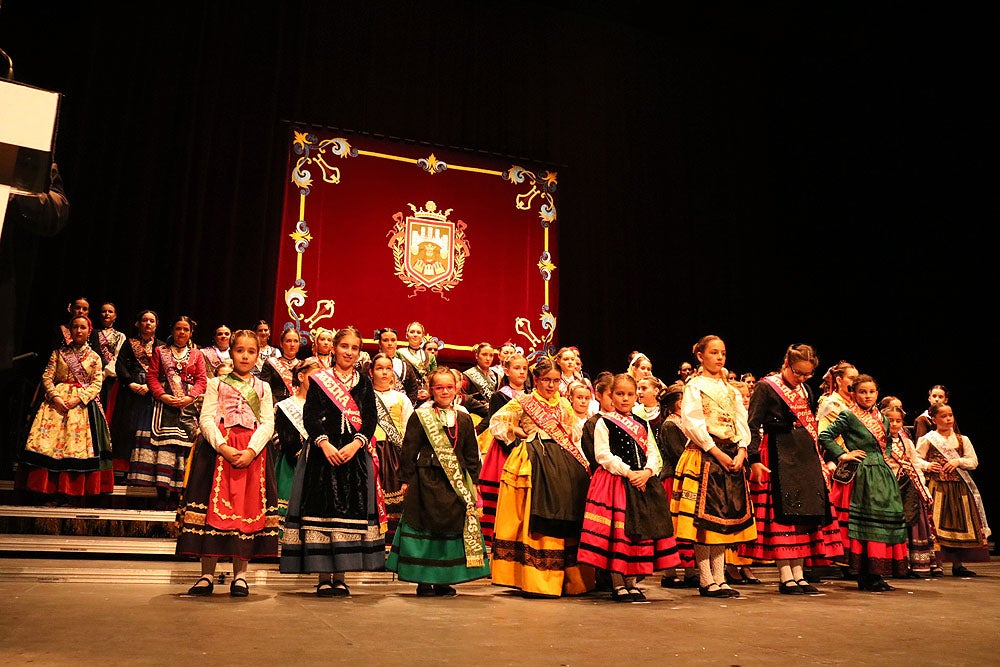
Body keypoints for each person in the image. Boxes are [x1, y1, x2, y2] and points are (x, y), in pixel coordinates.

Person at [280, 326, 384, 597]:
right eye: (344, 346)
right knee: (322, 512)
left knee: (347, 514)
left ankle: (341, 576)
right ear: (334, 348)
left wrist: (356, 443)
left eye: (355, 348)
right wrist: (324, 443)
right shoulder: (319, 380)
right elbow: (311, 416)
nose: (349, 352)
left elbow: (371, 419)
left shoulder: (364, 383)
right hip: (322, 456)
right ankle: (323, 576)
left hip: (353, 456)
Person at [176, 330, 277, 597]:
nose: (245, 355)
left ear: (258, 355)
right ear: (231, 352)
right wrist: (222, 446)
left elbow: (267, 422)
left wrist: (252, 450)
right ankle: (206, 574)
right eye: (240, 350)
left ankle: (241, 576)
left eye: (251, 351)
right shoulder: (215, 384)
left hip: (251, 454)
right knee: (211, 510)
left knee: (246, 511)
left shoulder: (264, 388)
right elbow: (206, 419)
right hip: (218, 452)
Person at [740, 344, 843, 595]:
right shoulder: (767, 387)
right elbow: (752, 424)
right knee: (783, 515)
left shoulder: (805, 389)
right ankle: (786, 575)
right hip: (778, 452)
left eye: (807, 374)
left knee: (803, 514)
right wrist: (753, 458)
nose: (802, 378)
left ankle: (799, 573)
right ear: (786, 363)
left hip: (803, 454)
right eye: (798, 373)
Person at [489, 356, 595, 597]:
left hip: (564, 462)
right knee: (531, 514)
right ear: (535, 379)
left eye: (556, 381)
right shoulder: (524, 402)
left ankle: (570, 579)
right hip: (533, 460)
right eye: (546, 380)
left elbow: (574, 432)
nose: (551, 385)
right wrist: (517, 430)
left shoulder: (565, 404)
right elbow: (496, 422)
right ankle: (534, 577)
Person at [387, 366, 491, 595]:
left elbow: (471, 453)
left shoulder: (463, 419)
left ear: (457, 389)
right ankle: (424, 579)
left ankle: (445, 579)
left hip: (454, 484)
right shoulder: (420, 416)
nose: (444, 391)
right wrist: (406, 479)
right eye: (439, 387)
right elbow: (409, 449)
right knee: (425, 526)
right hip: (426, 480)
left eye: (449, 387)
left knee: (451, 527)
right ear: (431, 390)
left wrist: (474, 481)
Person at [578, 373, 679, 602]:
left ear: (636, 397)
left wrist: (647, 471)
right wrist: (628, 472)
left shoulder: (641, 423)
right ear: (611, 396)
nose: (625, 399)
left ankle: (632, 582)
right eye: (620, 394)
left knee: (638, 532)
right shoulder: (604, 421)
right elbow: (602, 454)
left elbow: (652, 451)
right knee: (619, 532)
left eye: (630, 394)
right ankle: (617, 583)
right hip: (615, 483)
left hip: (641, 481)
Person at [671, 335, 756, 599]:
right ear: (701, 356)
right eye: (714, 353)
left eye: (723, 353)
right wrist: (716, 451)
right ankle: (706, 578)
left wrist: (742, 449)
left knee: (724, 517)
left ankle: (720, 577)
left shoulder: (731, 390)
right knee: (703, 520)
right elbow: (693, 423)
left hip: (731, 454)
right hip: (706, 454)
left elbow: (741, 421)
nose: (719, 358)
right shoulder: (695, 386)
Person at [819, 373, 908, 591]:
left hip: (882, 474)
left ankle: (877, 573)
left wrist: (885, 460)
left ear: (877, 393)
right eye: (862, 392)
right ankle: (864, 575)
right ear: (854, 393)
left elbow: (886, 443)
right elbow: (824, 436)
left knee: (883, 522)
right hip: (862, 474)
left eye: (871, 392)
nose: (867, 396)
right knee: (864, 525)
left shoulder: (883, 418)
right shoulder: (848, 416)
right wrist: (843, 455)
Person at [17, 315, 114, 500]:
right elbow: (47, 376)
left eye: (82, 327)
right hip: (55, 404)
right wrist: (55, 397)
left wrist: (78, 399)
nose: (78, 331)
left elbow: (96, 383)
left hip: (81, 406)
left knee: (75, 446)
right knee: (48, 444)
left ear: (89, 331)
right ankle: (44, 489)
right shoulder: (58, 353)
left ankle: (71, 490)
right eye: (75, 327)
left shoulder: (94, 358)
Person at [127, 315, 207, 509]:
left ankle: (179, 494)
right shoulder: (160, 351)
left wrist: (190, 397)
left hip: (187, 407)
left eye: (186, 329)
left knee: (183, 447)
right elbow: (152, 377)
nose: (182, 332)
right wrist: (162, 395)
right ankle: (162, 493)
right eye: (178, 328)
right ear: (172, 331)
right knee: (163, 447)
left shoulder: (197, 355)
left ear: (191, 333)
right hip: (163, 406)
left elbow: (201, 380)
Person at [915, 403, 990, 577]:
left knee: (960, 525)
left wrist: (958, 462)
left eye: (950, 415)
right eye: (943, 416)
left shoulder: (963, 439)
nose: (948, 419)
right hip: (937, 487)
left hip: (959, 488)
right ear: (934, 420)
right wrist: (927, 465)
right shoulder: (928, 439)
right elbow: (916, 459)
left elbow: (973, 461)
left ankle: (958, 564)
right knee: (937, 526)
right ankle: (937, 563)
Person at [882, 404, 943, 578]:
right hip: (889, 488)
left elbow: (916, 465)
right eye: (890, 420)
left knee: (914, 524)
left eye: (898, 421)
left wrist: (923, 488)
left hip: (909, 488)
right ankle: (896, 564)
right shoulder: (879, 441)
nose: (894, 424)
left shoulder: (907, 442)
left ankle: (915, 564)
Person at [478, 352, 530, 548]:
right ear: (506, 371)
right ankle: (495, 537)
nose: (521, 372)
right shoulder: (499, 396)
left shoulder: (532, 396)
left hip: (528, 448)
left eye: (524, 368)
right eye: (517, 368)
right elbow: (495, 426)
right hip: (505, 450)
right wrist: (514, 446)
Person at [109, 310, 163, 481]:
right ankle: (122, 470)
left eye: (151, 321)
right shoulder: (129, 343)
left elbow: (164, 370)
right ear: (138, 324)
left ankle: (144, 470)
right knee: (127, 428)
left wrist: (150, 386)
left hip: (152, 392)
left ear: (156, 325)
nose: (148, 323)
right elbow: (120, 364)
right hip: (130, 391)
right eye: (144, 320)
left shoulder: (161, 346)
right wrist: (130, 383)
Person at [369, 352, 415, 550]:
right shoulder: (365, 396)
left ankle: (392, 542)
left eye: (388, 369)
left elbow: (409, 428)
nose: (384, 372)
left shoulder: (401, 398)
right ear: (371, 372)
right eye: (380, 368)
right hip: (370, 450)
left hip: (394, 453)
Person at [656, 381, 697, 589]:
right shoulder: (671, 425)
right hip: (673, 479)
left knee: (686, 525)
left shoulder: (685, 423)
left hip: (685, 478)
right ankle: (669, 572)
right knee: (672, 526)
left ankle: (690, 571)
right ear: (678, 404)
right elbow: (677, 454)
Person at [273, 360, 320, 536]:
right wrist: (297, 453)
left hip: (318, 465)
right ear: (301, 377)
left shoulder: (323, 407)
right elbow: (280, 436)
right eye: (313, 377)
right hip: (291, 464)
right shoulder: (285, 406)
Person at [92, 302, 125, 420]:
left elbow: (117, 357)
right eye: (104, 311)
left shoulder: (120, 336)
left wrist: (104, 373)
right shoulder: (92, 333)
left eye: (110, 311)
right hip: (92, 375)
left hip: (109, 377)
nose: (106, 314)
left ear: (115, 316)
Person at [373, 327, 420, 403]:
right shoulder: (372, 364)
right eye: (385, 340)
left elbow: (413, 389)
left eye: (393, 340)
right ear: (380, 343)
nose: (390, 344)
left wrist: (406, 407)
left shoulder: (405, 365)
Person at [259, 326, 301, 405]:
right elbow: (265, 389)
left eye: (296, 341)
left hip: (297, 408)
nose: (292, 344)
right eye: (288, 341)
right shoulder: (270, 363)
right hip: (274, 406)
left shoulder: (303, 366)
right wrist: (277, 405)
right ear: (281, 344)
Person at [396, 321, 435, 404]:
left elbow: (434, 379)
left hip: (426, 398)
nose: (415, 335)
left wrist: (428, 392)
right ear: (406, 335)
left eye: (418, 332)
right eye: (412, 332)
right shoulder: (399, 353)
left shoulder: (430, 357)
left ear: (423, 336)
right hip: (406, 396)